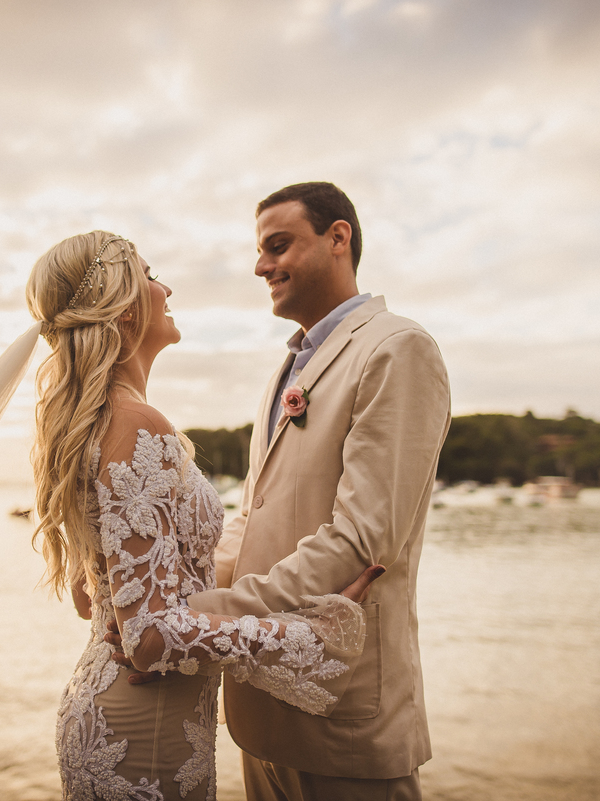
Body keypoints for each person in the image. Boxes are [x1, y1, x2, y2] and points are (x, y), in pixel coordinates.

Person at [24, 230, 384, 800]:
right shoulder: (137, 425)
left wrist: (156, 609)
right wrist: (304, 634)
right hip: (143, 732)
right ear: (122, 310)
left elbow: (93, 599)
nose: (165, 287)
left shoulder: (92, 424)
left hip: (121, 709)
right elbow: (147, 636)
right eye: (149, 274)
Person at [179, 182, 452, 800]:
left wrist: (202, 621)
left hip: (343, 711)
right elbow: (250, 519)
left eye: (278, 246)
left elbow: (362, 539)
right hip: (261, 708)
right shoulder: (286, 368)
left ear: (338, 238)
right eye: (259, 250)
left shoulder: (396, 349)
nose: (260, 266)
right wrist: (175, 598)